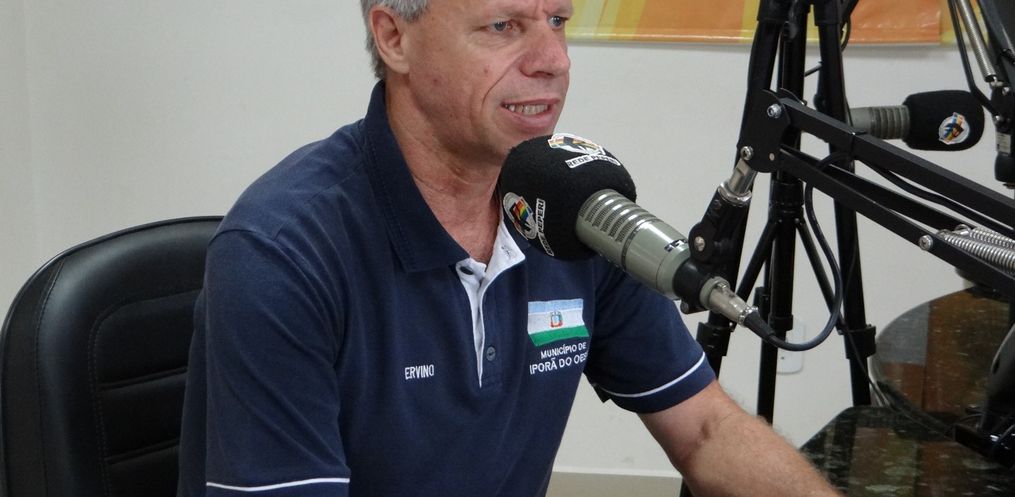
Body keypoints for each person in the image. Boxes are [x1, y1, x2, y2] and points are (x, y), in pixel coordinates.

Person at [176, 0, 842, 496]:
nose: (553, 60)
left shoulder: (573, 208)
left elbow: (705, 431)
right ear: (394, 37)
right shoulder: (282, 254)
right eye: (504, 26)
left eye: (557, 20)